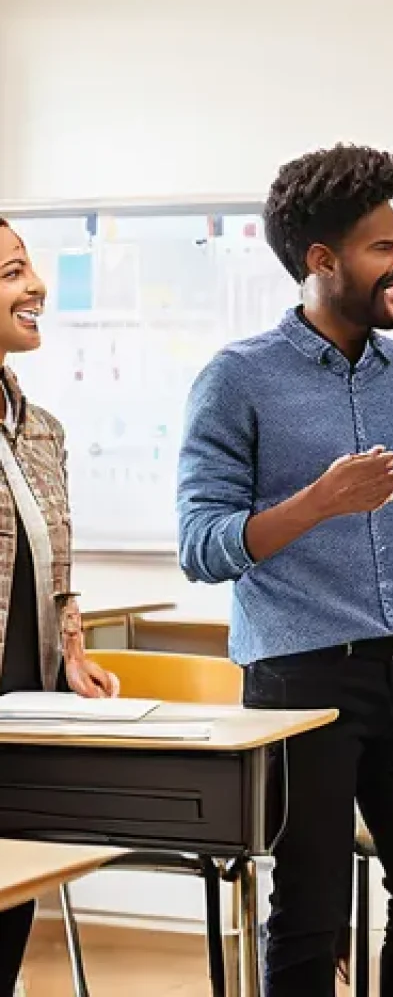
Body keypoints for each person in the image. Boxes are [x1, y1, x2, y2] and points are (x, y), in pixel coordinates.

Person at [176, 143, 393, 997]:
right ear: (322, 260)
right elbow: (200, 544)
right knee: (311, 912)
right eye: (384, 247)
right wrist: (318, 502)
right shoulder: (237, 379)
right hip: (299, 679)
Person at [0, 217, 120, 997]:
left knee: (9, 916)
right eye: (11, 272)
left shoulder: (41, 430)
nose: (37, 285)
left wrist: (72, 650)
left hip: (25, 716)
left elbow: (54, 567)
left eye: (29, 267)